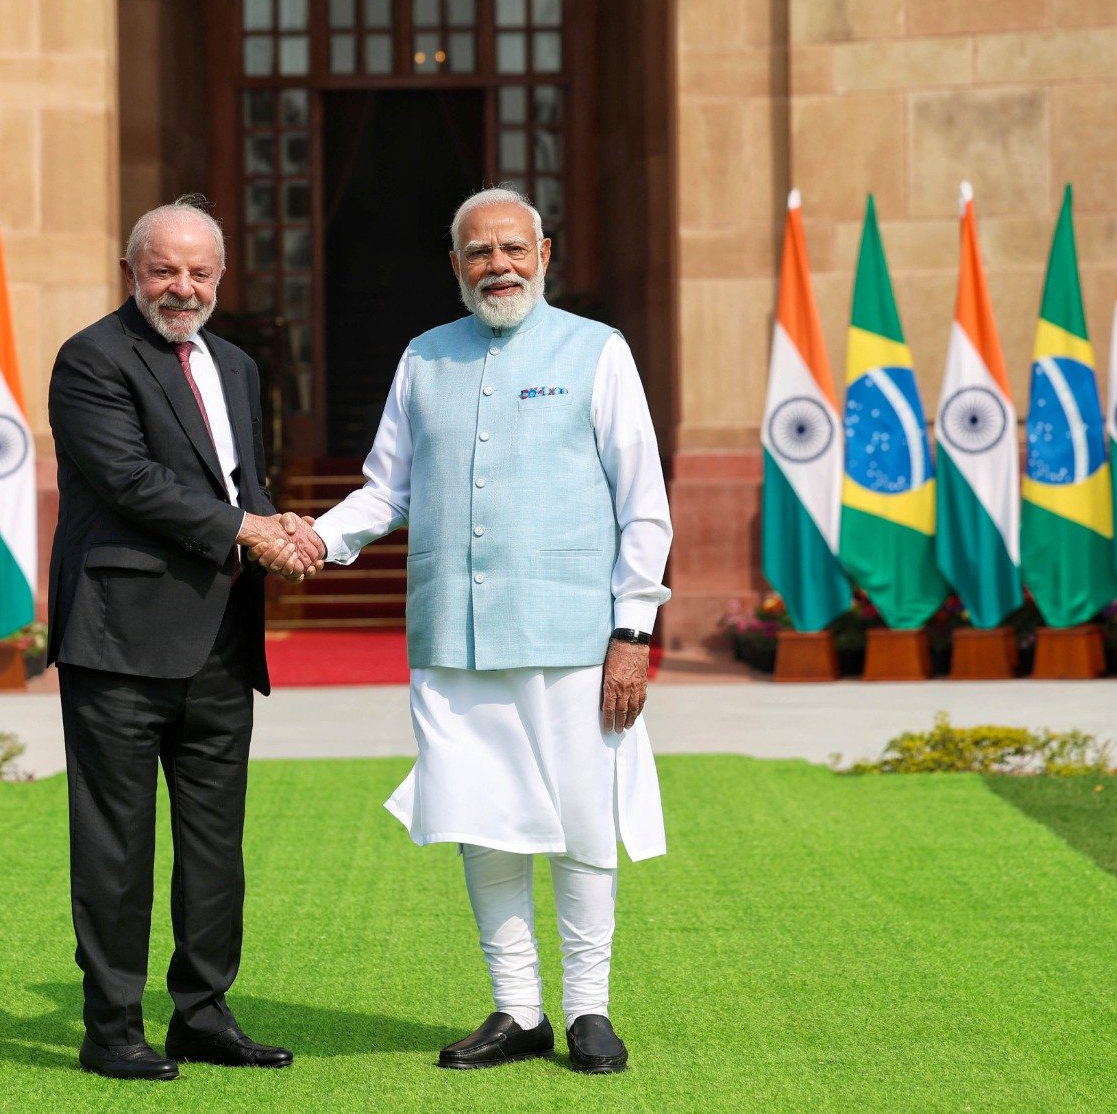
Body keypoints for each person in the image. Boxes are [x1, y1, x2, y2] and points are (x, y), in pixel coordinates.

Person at [300, 187, 673, 1075]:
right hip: (453, 638)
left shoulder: (598, 352)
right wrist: (318, 537)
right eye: (478, 252)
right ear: (456, 265)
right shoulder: (424, 358)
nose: (497, 265)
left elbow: (644, 505)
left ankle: (588, 1010)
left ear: (545, 253)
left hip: (573, 638)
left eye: (513, 248)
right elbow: (387, 488)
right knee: (483, 821)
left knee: (584, 821)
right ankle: (517, 1010)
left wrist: (633, 632)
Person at [46, 196, 308, 1082]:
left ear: (221, 279)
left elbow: (241, 483)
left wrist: (289, 529)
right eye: (164, 270)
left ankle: (202, 1013)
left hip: (221, 643)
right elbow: (131, 480)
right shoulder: (90, 358)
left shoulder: (234, 363)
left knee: (213, 847)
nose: (181, 287)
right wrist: (249, 529)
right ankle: (112, 1029)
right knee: (116, 847)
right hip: (118, 642)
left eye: (200, 272)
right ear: (131, 273)